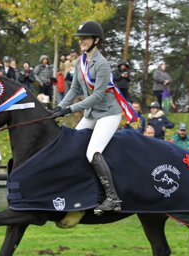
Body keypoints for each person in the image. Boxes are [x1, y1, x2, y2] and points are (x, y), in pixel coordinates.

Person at [50, 20, 137, 214]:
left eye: (85, 38)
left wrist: (70, 110)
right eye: (80, 39)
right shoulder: (80, 62)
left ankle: (113, 198)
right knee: (72, 146)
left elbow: (97, 96)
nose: (81, 41)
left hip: (108, 114)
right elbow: (74, 89)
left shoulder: (103, 64)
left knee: (92, 152)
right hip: (91, 113)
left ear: (96, 40)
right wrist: (59, 108)